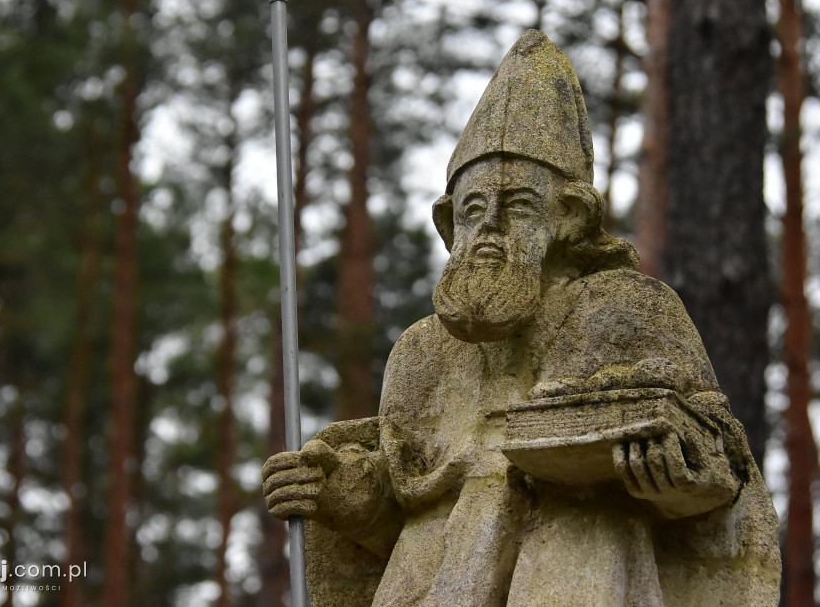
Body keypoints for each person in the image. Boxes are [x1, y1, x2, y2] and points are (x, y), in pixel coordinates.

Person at [262, 30, 781, 606]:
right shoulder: (419, 353)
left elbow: (722, 474)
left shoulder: (628, 309)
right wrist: (344, 498)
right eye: (473, 209)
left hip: (577, 566)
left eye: (518, 206)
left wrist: (672, 473)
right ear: (449, 222)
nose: (489, 228)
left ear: (569, 217)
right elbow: (399, 517)